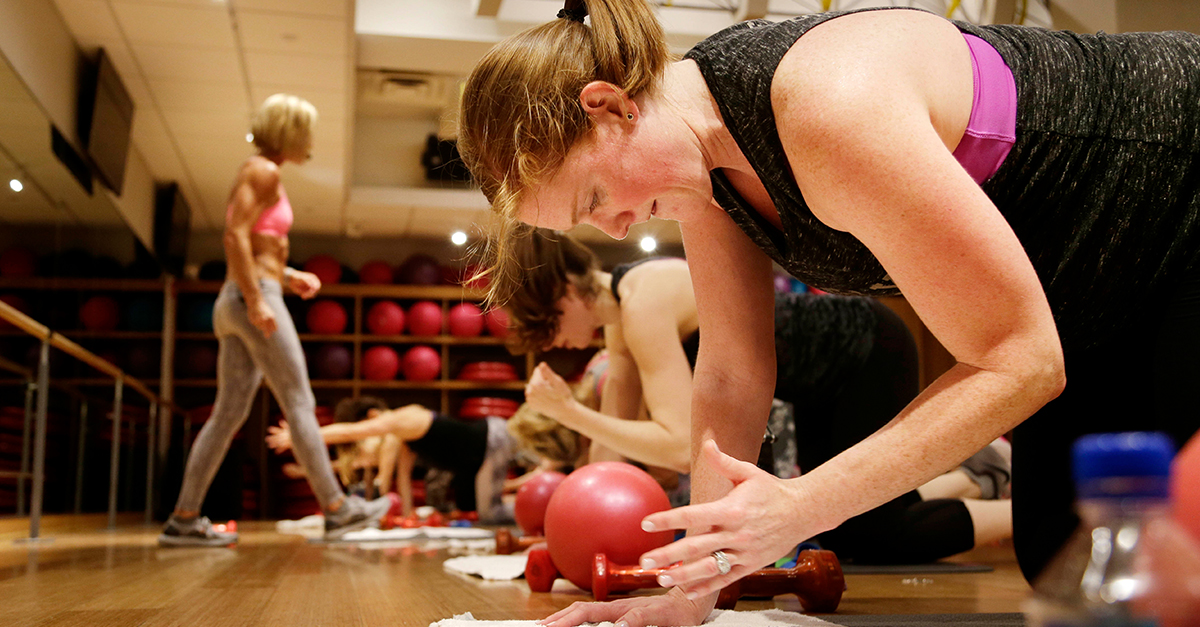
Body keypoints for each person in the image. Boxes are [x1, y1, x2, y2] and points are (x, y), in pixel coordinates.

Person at [457, 2, 1200, 625]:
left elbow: (1020, 361)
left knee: (1185, 556)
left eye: (593, 198)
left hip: (1179, 185)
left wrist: (801, 504)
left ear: (608, 106)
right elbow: (731, 373)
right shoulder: (699, 170)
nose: (615, 229)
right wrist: (692, 592)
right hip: (1083, 280)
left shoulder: (824, 107)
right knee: (1062, 551)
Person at [512, 228, 1011, 565]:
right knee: (843, 526)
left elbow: (678, 446)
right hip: (822, 382)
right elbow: (608, 461)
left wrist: (570, 413)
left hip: (864, 349)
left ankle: (1018, 513)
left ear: (567, 291)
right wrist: (574, 536)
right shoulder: (621, 321)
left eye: (547, 327)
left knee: (874, 535)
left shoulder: (644, 303)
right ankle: (980, 475)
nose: (552, 345)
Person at [159, 94, 391, 547]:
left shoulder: (262, 172)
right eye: (306, 132)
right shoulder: (262, 170)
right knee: (299, 401)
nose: (310, 142)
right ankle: (338, 509)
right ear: (290, 133)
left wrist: (288, 276)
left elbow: (255, 244)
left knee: (227, 414)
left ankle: (183, 518)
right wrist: (257, 299)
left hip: (244, 297)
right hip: (250, 299)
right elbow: (234, 236)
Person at [266, 396, 584, 523]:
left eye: (370, 429)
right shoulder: (406, 440)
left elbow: (352, 430)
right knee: (482, 510)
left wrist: (300, 436)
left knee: (491, 514)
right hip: (483, 449)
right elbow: (403, 480)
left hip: (494, 440)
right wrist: (408, 517)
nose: (369, 440)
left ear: (375, 415)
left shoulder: (405, 417)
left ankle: (554, 512)